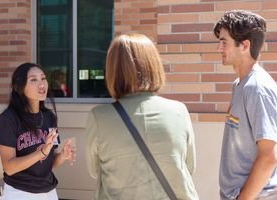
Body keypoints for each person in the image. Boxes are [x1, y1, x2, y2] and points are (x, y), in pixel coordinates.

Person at [85, 33, 199, 200]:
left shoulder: (99, 117)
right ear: (153, 65)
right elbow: (189, 167)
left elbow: (94, 171)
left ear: (113, 70)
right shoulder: (178, 111)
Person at [214, 10, 277, 200]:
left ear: (245, 45)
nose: (219, 48)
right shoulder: (240, 84)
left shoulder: (257, 88)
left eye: (224, 42)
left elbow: (269, 156)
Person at [0, 62, 76, 200]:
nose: (41, 84)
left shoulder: (49, 117)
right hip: (19, 194)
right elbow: (9, 167)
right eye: (33, 80)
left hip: (49, 193)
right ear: (18, 87)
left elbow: (49, 164)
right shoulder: (8, 119)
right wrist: (41, 152)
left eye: (43, 78)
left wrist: (62, 155)